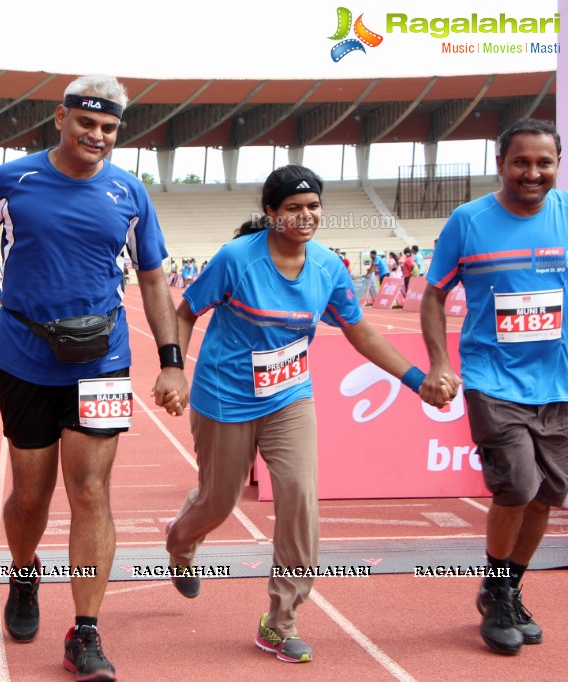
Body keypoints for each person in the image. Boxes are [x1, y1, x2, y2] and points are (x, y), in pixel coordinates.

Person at [0, 74, 188, 682]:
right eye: (86, 123)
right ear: (60, 117)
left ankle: (85, 631)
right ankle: (23, 569)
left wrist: (171, 360)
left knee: (91, 491)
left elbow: (151, 279)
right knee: (32, 494)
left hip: (103, 360)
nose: (97, 136)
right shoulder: (13, 181)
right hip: (23, 358)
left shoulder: (129, 193)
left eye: (109, 128)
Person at [162, 164, 453, 665]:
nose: (305, 216)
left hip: (289, 398)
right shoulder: (237, 260)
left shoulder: (328, 268)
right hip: (225, 397)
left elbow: (361, 332)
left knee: (299, 496)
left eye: (313, 207)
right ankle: (181, 540)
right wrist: (174, 372)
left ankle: (281, 621)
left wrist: (416, 380)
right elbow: (186, 311)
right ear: (270, 214)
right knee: (218, 500)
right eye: (293, 208)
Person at [420, 118, 567, 656]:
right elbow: (434, 294)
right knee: (517, 487)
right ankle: (499, 588)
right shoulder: (469, 221)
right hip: (492, 378)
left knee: (546, 497)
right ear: (501, 163)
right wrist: (440, 362)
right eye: (521, 162)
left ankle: (506, 589)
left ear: (555, 164)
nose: (532, 173)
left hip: (560, 384)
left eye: (543, 163)